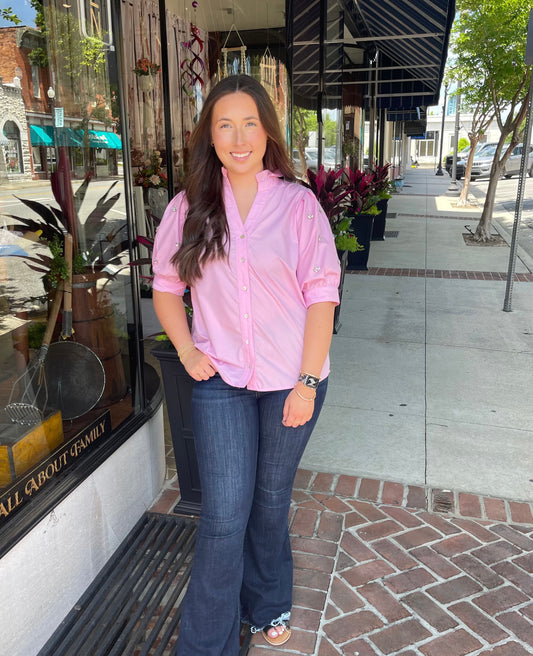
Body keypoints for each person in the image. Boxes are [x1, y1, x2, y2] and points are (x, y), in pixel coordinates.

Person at [152, 74, 341, 655]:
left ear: (267, 132)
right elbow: (165, 286)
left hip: (293, 381)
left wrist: (306, 383)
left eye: (250, 123)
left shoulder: (298, 203)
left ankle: (266, 602)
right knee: (224, 515)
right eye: (224, 125)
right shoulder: (188, 207)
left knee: (269, 500)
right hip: (222, 381)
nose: (238, 137)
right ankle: (206, 647)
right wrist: (186, 350)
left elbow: (322, 294)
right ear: (209, 136)